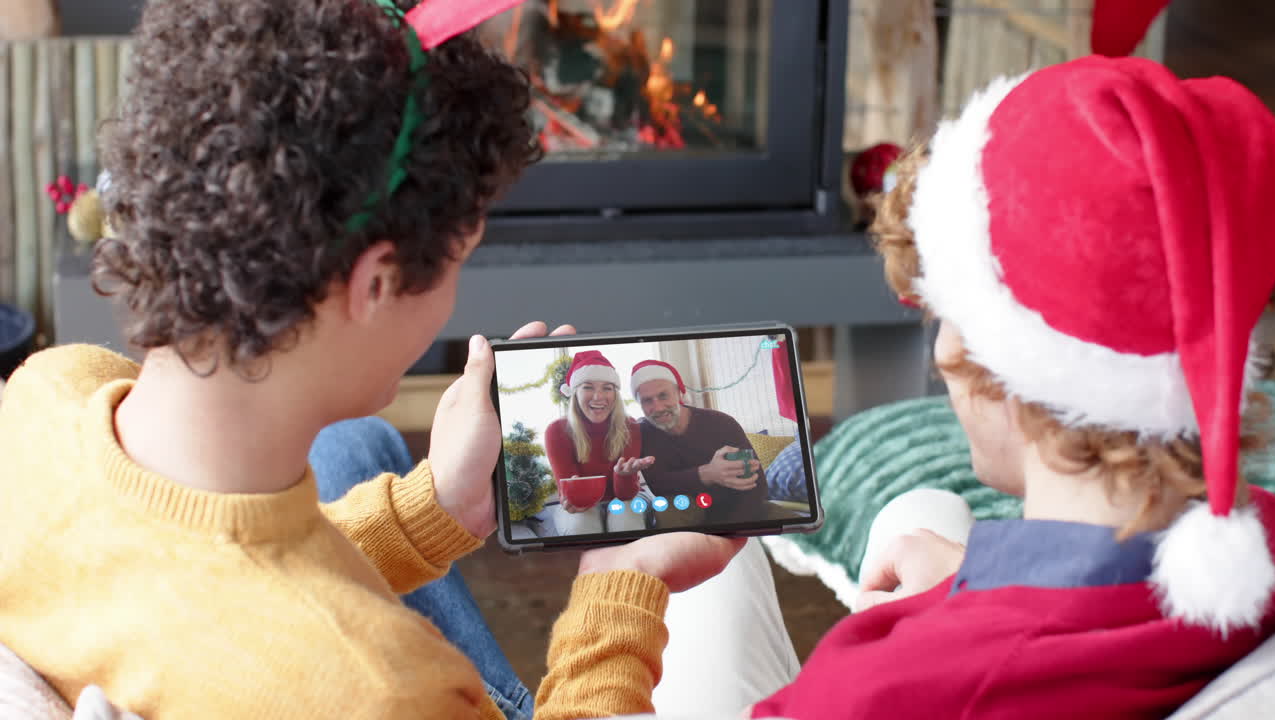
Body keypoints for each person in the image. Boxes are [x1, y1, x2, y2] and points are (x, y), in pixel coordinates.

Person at [0, 0, 745, 718]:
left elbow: (193, 584)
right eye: (462, 259)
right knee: (734, 597)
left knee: (355, 446)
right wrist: (619, 582)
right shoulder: (386, 690)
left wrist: (439, 507)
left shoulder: (49, 391)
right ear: (377, 283)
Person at [549, 55, 1275, 720]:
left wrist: (616, 586)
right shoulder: (1260, 552)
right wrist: (970, 581)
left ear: (968, 352)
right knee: (921, 511)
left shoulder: (885, 690)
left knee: (699, 585)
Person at [630, 359, 770, 526]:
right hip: (687, 509)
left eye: (663, 395)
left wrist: (730, 529)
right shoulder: (643, 434)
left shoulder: (721, 423)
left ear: (679, 393)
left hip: (738, 509)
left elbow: (756, 485)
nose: (658, 407)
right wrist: (707, 474)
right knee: (667, 510)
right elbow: (659, 485)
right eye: (647, 400)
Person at [543, 351, 653, 535]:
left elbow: (626, 494)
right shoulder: (557, 431)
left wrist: (623, 475)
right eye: (588, 387)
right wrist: (571, 496)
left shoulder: (630, 426)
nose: (598, 397)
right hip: (584, 502)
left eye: (607, 388)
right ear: (575, 393)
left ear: (615, 394)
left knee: (624, 520)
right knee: (580, 526)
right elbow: (570, 496)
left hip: (626, 497)